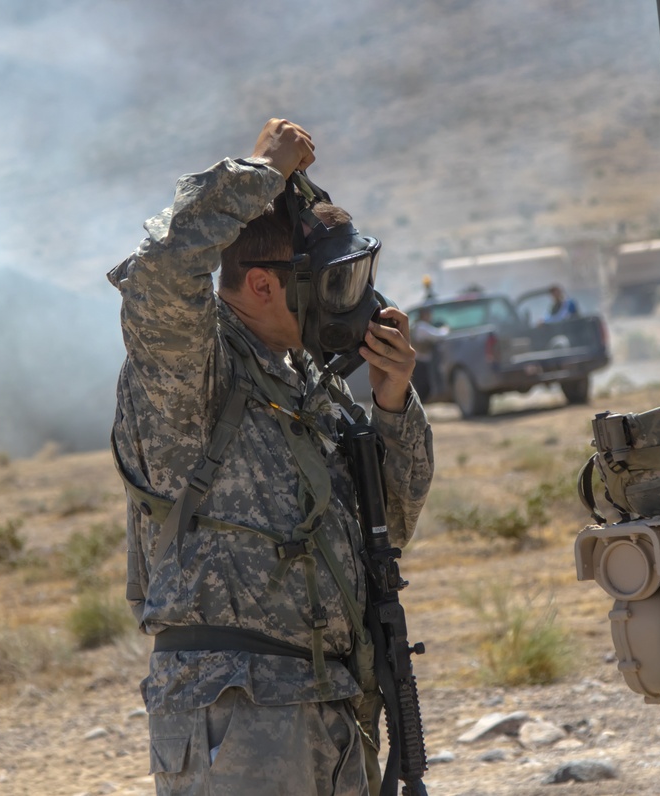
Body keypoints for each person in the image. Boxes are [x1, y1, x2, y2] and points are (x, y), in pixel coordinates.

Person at [107, 118, 434, 796]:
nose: (353, 305)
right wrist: (260, 173)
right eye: (334, 285)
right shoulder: (192, 371)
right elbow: (159, 273)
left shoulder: (302, 388)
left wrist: (394, 404)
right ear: (261, 285)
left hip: (329, 703)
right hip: (237, 717)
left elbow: (389, 530)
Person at [410, 306, 448, 401]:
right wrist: (445, 328)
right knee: (423, 386)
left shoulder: (417, 326)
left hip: (418, 361)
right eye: (428, 314)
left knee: (422, 385)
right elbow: (438, 335)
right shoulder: (422, 326)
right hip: (420, 361)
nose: (430, 317)